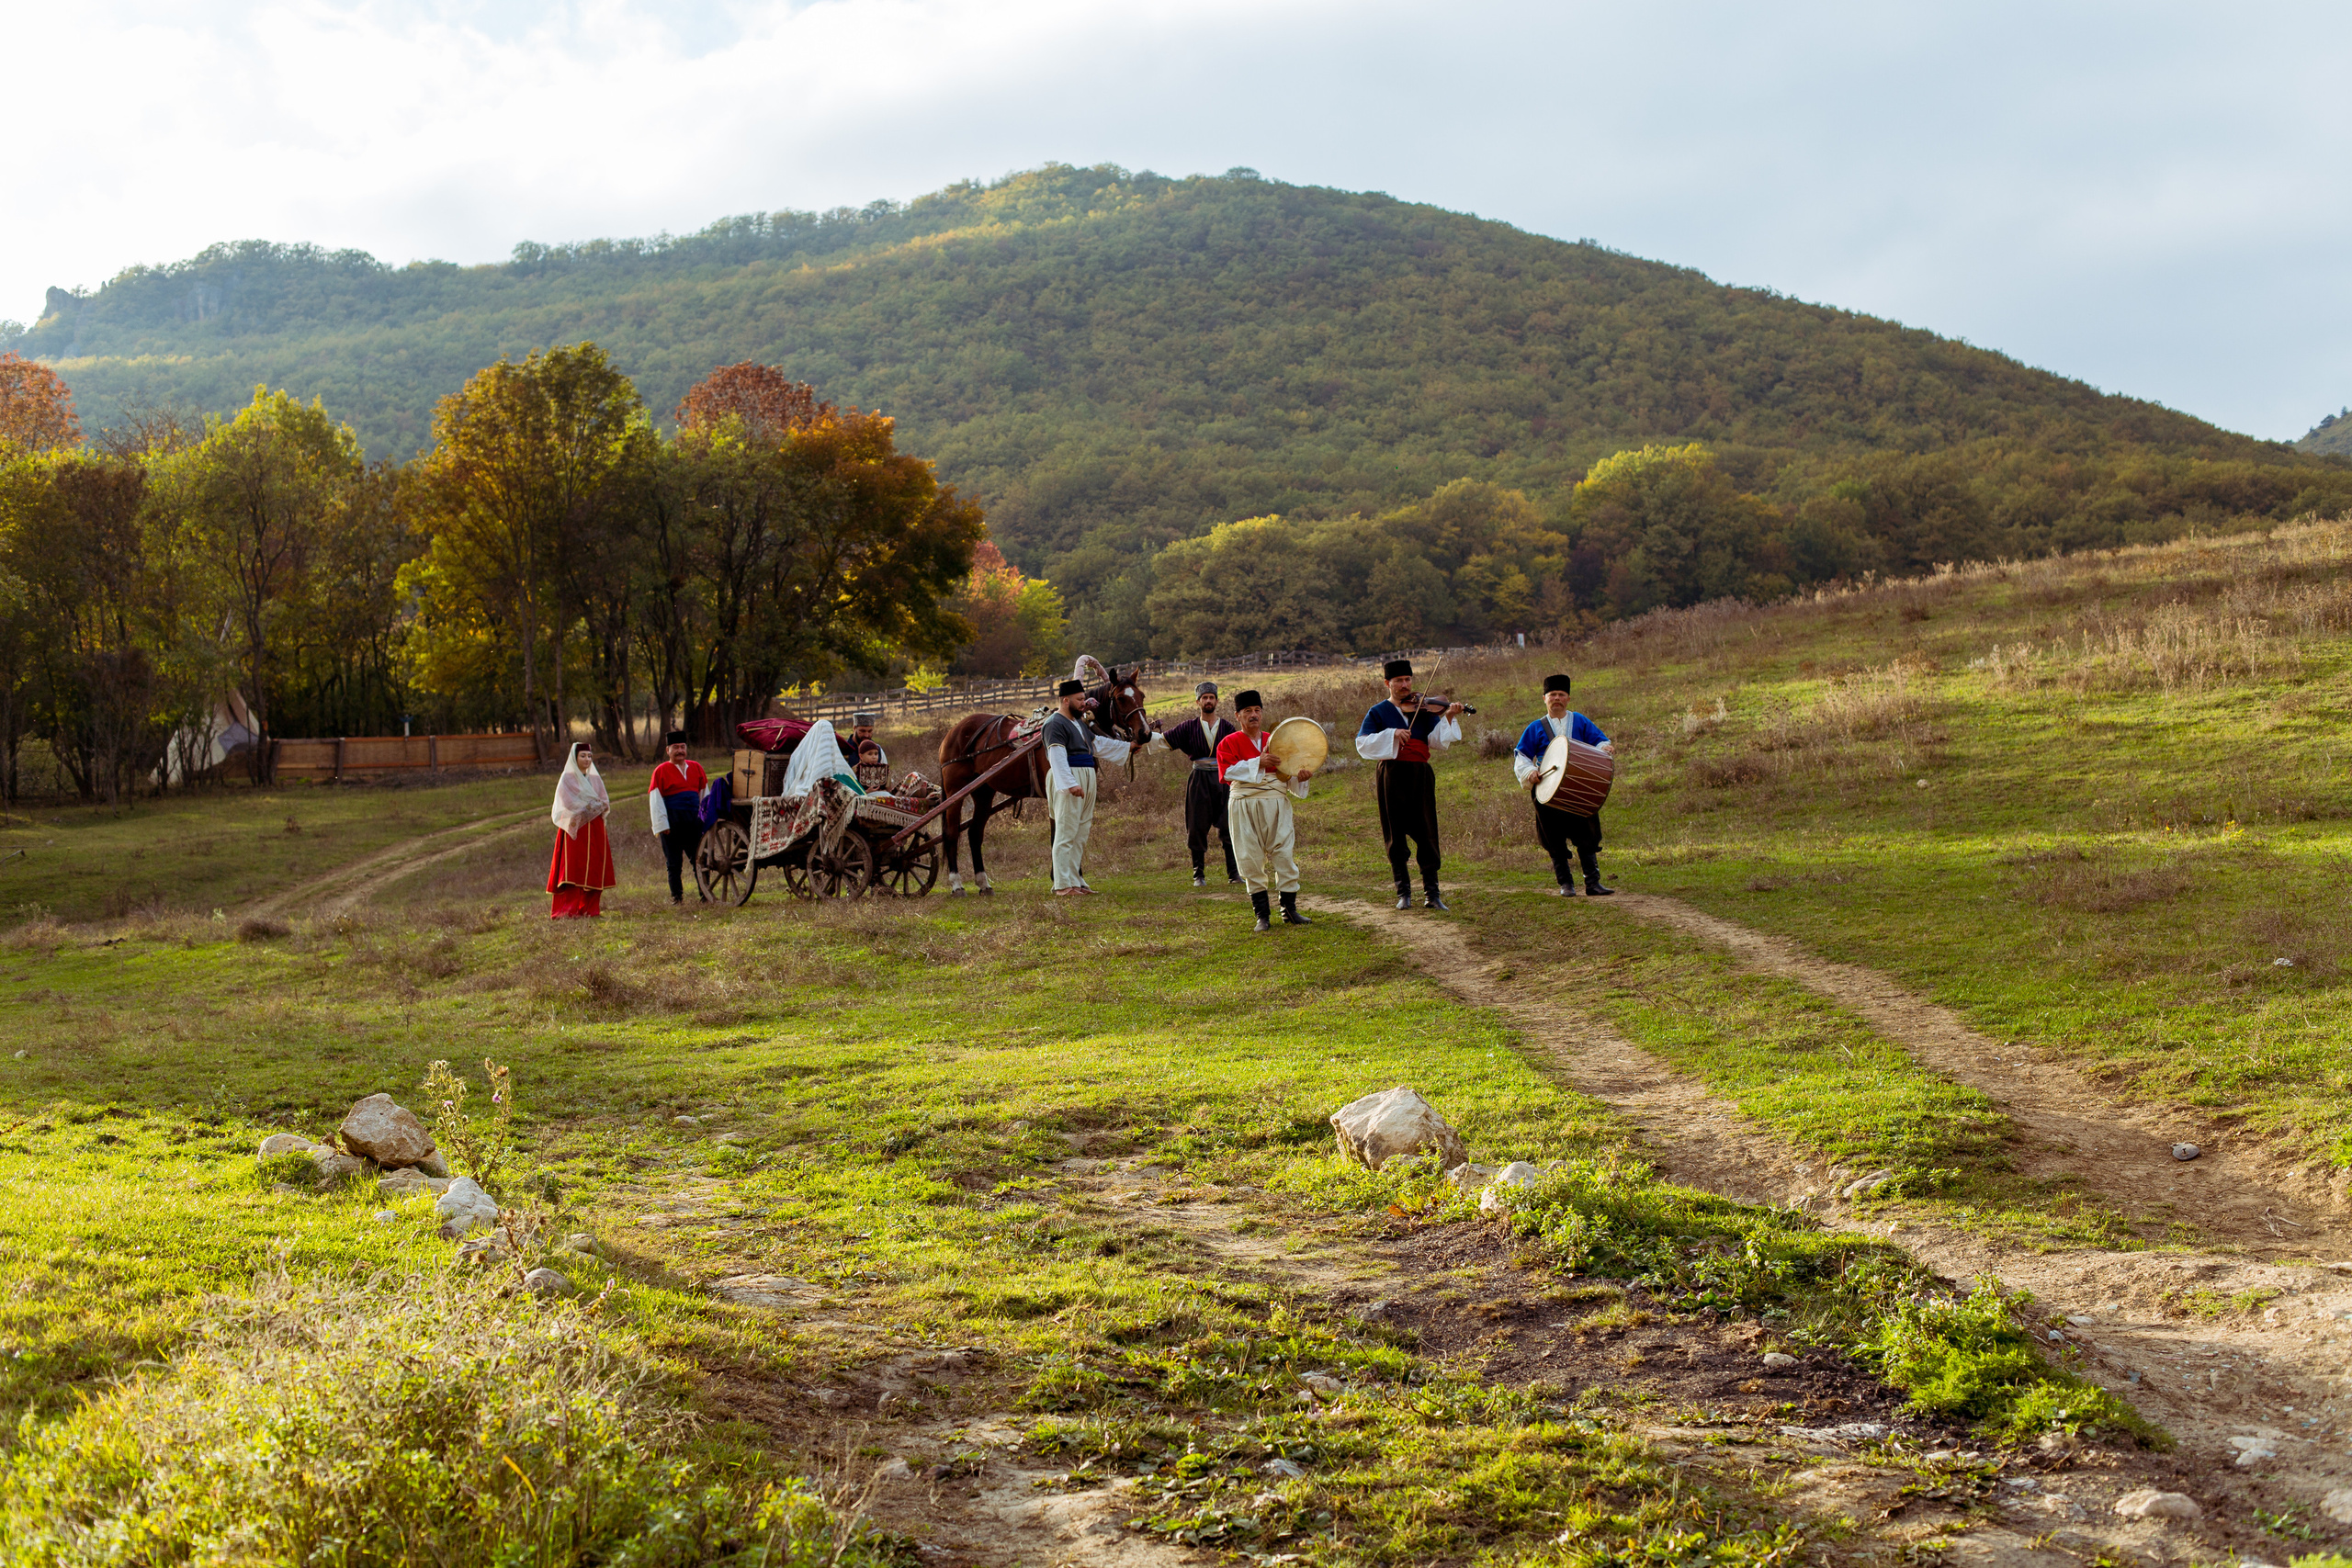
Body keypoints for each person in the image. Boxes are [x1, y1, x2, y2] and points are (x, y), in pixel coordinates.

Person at [1354, 658, 1464, 911]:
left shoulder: (1424, 709)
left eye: (1407, 680)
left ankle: (1432, 893)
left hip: (1420, 773)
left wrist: (1448, 716)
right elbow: (1362, 743)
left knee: (1427, 829)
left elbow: (1437, 741)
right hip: (1391, 773)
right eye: (1398, 681)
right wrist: (1392, 734)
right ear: (1387, 684)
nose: (1405, 685)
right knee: (1395, 830)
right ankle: (1403, 892)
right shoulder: (1378, 711)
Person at [1216, 690, 1314, 931]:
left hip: (1276, 803)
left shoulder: (1277, 739)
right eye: (1247, 711)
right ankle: (1262, 915)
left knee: (1284, 854)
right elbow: (1226, 772)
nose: (1253, 715)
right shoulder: (1228, 743)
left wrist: (1301, 777)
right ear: (1237, 716)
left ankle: (1289, 911)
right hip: (1244, 805)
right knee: (1249, 856)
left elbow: (1288, 774)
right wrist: (1257, 762)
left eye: (1257, 710)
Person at [1513, 674, 1616, 897]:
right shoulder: (1535, 727)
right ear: (1544, 699)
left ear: (1568, 698)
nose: (1557, 699)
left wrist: (1604, 748)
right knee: (1553, 837)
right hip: (1547, 791)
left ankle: (1592, 883)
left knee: (1586, 834)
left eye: (1561, 695)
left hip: (1578, 790)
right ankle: (1566, 884)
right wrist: (1530, 772)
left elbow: (1599, 740)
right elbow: (1521, 756)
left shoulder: (1579, 721)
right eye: (1552, 695)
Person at [1043, 676, 1140, 896]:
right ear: (1065, 700)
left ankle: (1075, 881)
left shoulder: (1078, 723)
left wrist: (1127, 747)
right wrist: (1069, 784)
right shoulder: (1054, 723)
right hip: (1070, 776)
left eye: (1083, 698)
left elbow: (1097, 744)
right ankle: (1062, 885)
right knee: (1066, 831)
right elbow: (1056, 755)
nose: (1083, 703)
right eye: (1079, 699)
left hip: (1086, 776)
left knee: (1081, 832)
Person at [1157, 681, 1239, 886]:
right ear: (1198, 701)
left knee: (1228, 826)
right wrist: (1143, 736)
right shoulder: (1188, 727)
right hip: (1199, 779)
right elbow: (1163, 741)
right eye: (1205, 698)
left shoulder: (1228, 727)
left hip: (1223, 780)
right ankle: (1198, 875)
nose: (1208, 701)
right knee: (1196, 825)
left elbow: (1238, 752)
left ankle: (1233, 873)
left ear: (1217, 701)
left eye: (1212, 697)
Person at [548, 742, 616, 918]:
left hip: (595, 828)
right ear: (574, 757)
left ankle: (590, 908)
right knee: (574, 868)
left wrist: (595, 806)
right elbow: (568, 803)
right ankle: (569, 909)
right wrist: (589, 807)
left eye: (589, 756)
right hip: (576, 828)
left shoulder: (594, 778)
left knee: (595, 866)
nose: (587, 759)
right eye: (583, 756)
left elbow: (603, 800)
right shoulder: (567, 778)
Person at [646, 730, 708, 906]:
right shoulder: (660, 771)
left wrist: (705, 820)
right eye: (675, 748)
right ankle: (677, 898)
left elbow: (705, 795)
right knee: (674, 864)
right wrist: (662, 824)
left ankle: (705, 894)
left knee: (700, 860)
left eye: (682, 747)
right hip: (672, 823)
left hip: (694, 823)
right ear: (668, 750)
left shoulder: (696, 768)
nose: (680, 751)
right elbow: (656, 800)